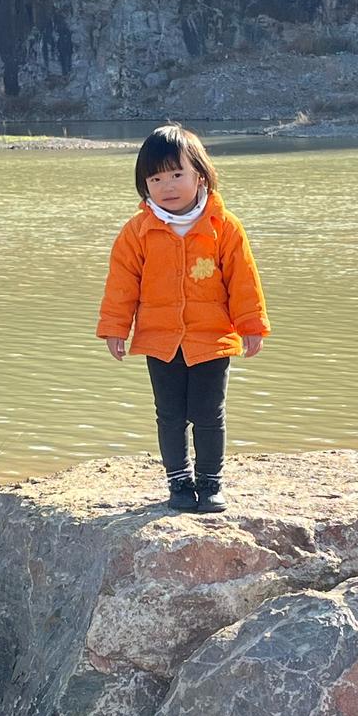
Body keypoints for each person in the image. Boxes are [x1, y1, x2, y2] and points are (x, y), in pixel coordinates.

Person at [96, 123, 270, 513]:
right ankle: (178, 482)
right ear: (144, 184)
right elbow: (122, 283)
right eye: (156, 178)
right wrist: (114, 328)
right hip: (160, 339)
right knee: (170, 415)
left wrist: (251, 326)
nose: (167, 186)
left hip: (211, 338)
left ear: (201, 175)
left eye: (177, 174)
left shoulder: (223, 227)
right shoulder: (138, 231)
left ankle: (209, 484)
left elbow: (243, 279)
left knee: (209, 414)